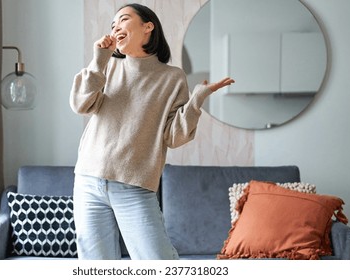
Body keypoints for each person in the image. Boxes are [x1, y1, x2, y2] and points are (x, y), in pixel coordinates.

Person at [69, 3, 234, 260]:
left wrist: (196, 101)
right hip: (88, 181)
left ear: (148, 27)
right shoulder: (107, 67)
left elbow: (173, 136)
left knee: (158, 264)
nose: (116, 27)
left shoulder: (172, 78)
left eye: (123, 20)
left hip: (134, 186)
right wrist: (98, 60)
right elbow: (81, 104)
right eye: (113, 25)